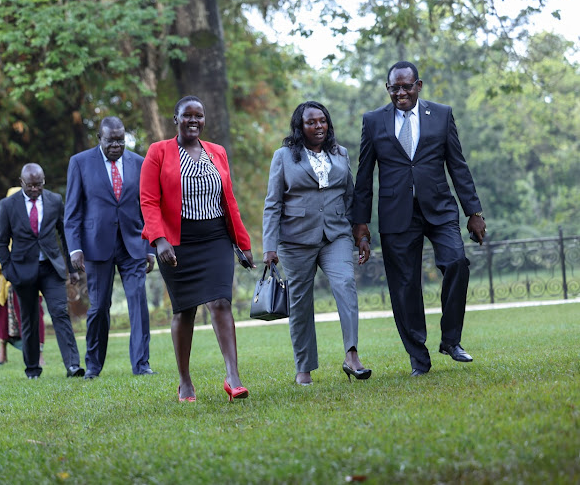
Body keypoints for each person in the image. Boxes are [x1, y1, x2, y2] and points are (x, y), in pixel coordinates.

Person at [352, 61, 487, 377]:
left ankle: (451, 340)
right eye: (394, 87)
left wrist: (474, 212)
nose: (401, 93)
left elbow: (458, 165)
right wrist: (360, 225)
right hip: (396, 214)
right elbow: (363, 175)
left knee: (456, 262)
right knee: (404, 287)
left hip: (439, 209)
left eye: (406, 86)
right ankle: (419, 360)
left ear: (419, 85)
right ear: (388, 89)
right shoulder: (373, 121)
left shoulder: (441, 114)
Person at [140, 95, 255, 402]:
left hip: (215, 238)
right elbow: (148, 200)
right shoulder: (158, 152)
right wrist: (159, 239)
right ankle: (185, 381)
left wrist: (242, 244)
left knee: (220, 302)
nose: (194, 121)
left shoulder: (217, 152)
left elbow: (229, 201)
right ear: (175, 119)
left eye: (199, 116)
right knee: (185, 310)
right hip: (176, 243)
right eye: (187, 115)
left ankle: (233, 377)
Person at [263, 101, 372, 386]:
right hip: (295, 240)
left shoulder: (340, 154)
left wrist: (359, 235)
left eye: (322, 120)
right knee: (300, 303)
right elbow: (273, 203)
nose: (318, 126)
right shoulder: (284, 156)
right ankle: (304, 367)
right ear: (300, 127)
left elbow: (350, 197)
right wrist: (269, 246)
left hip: (335, 235)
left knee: (345, 285)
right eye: (311, 122)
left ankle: (351, 356)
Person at [64, 116, 156, 379]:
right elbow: (72, 212)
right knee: (99, 307)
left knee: (138, 302)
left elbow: (146, 207)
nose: (116, 145)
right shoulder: (80, 163)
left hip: (133, 244)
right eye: (111, 140)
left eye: (120, 139)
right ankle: (93, 365)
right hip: (96, 247)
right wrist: (75, 248)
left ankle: (141, 364)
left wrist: (149, 247)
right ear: (99, 139)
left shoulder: (139, 162)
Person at [0, 163, 84, 379]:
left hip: (51, 269)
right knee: (29, 319)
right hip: (22, 272)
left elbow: (64, 234)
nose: (35, 189)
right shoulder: (8, 205)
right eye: (30, 185)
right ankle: (33, 369)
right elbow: (1, 242)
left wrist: (71, 269)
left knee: (60, 313)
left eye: (39, 185)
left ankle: (73, 366)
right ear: (21, 182)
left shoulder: (54, 200)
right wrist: (9, 272)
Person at [0, 186, 45, 366]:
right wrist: (7, 269)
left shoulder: (35, 215)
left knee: (36, 314)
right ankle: (2, 350)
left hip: (32, 275)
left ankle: (38, 354)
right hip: (5, 278)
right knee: (3, 315)